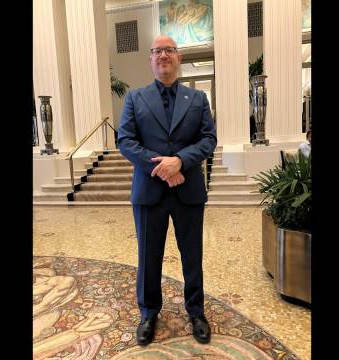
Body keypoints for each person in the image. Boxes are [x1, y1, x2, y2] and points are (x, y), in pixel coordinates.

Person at [117, 35, 216, 346]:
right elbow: (125, 140)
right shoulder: (134, 98)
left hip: (188, 190)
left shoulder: (198, 99)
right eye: (157, 51)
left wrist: (180, 162)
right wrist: (162, 167)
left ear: (178, 58)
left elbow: (208, 139)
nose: (163, 55)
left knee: (192, 254)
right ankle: (148, 313)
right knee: (148, 255)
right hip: (149, 191)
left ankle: (196, 311)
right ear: (150, 59)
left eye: (169, 50)